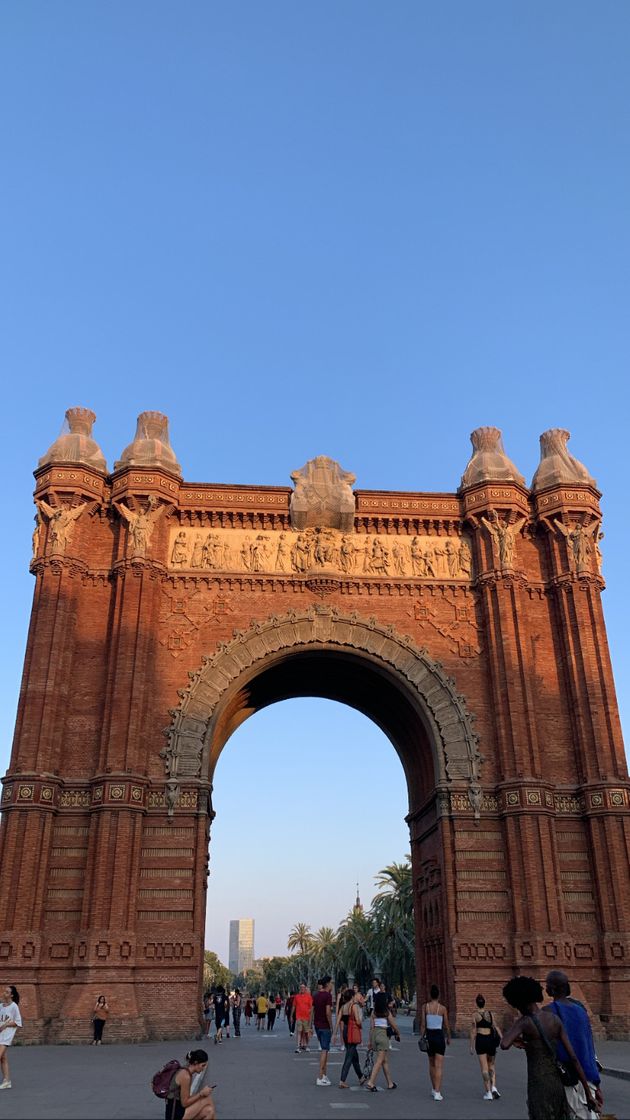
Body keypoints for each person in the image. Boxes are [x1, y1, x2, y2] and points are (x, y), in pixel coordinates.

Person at [501, 976, 598, 1120]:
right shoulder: (554, 1019)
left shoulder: (524, 1022)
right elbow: (573, 1058)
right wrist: (588, 1094)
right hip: (556, 1083)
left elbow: (504, 1043)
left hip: (538, 1084)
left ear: (518, 1001)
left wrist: (520, 1040)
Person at [545, 970, 603, 1119]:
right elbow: (590, 1049)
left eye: (547, 985)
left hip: (569, 1077)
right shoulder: (581, 1011)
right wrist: (597, 1086)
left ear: (552, 989)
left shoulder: (549, 1012)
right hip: (588, 1074)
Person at [420, 984, 451, 1101]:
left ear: (430, 995)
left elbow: (423, 1024)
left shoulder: (425, 1007)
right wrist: (449, 1037)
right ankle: (438, 1092)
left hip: (429, 1036)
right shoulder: (442, 1008)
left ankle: (433, 1088)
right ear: (439, 995)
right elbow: (446, 1025)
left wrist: (422, 1037)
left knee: (431, 1063)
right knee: (439, 1066)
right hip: (439, 1036)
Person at [365, 988, 400, 1091]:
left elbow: (371, 1028)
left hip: (375, 1035)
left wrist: (370, 1042)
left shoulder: (374, 1013)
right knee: (380, 1061)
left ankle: (390, 1083)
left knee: (384, 1060)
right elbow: (394, 1025)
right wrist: (398, 1033)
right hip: (383, 1035)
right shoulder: (386, 1012)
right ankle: (371, 1082)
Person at [165, 1049, 215, 1120]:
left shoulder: (186, 1069)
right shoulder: (185, 1076)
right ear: (196, 1063)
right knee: (207, 1099)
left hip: (178, 1110)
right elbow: (185, 1103)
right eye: (203, 1065)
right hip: (175, 1115)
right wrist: (201, 1093)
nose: (203, 1069)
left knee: (209, 1111)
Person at [469, 993, 501, 1099]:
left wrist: (471, 1046)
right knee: (491, 1065)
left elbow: (473, 1031)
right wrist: (503, 1038)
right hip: (491, 1040)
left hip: (481, 1040)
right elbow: (496, 1026)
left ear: (476, 1004)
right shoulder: (490, 1014)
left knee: (484, 1068)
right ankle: (494, 1087)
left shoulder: (475, 1015)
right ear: (484, 1003)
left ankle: (488, 1092)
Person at [338, 987, 367, 1089]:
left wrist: (335, 1033)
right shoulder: (353, 1006)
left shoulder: (343, 1006)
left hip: (345, 1030)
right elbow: (358, 1021)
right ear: (352, 996)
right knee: (349, 1056)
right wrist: (360, 1025)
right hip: (352, 1031)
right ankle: (342, 1080)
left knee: (354, 1056)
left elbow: (338, 1019)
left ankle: (361, 1077)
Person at [312, 976, 333, 1086]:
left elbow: (312, 1011)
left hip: (317, 1025)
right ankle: (320, 1076)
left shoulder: (316, 996)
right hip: (325, 1026)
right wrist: (331, 1026)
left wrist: (311, 1025)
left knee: (325, 1050)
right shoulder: (328, 996)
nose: (332, 985)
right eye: (331, 983)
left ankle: (324, 1075)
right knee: (324, 1050)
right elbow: (328, 1012)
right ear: (327, 984)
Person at [0, 985, 21, 1090]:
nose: (4, 993)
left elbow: (18, 1022)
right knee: (3, 1058)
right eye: (4, 991)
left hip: (6, 1036)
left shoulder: (14, 1006)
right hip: (0, 1034)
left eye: (7, 992)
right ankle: (7, 1081)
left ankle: (7, 1081)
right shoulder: (1, 1006)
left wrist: (6, 1025)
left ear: (11, 995)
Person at [293, 982, 313, 1053]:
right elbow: (294, 1006)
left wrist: (311, 1018)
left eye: (303, 987)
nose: (302, 989)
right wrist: (291, 1016)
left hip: (306, 1017)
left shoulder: (309, 997)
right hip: (299, 1017)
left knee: (306, 1032)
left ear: (305, 988)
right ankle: (298, 1047)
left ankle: (307, 1046)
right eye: (301, 987)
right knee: (299, 1032)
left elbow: (311, 1008)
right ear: (300, 989)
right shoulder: (297, 996)